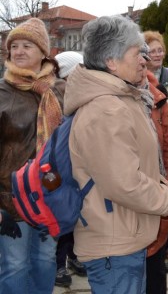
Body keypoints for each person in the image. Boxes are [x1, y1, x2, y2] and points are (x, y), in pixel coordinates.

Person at [64, 15, 168, 293]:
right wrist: (166, 199)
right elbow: (124, 182)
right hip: (114, 245)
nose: (144, 58)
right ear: (111, 61)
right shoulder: (107, 109)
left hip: (122, 236)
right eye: (136, 51)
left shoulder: (120, 99)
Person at [0, 17, 65, 293]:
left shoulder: (60, 90)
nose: (19, 51)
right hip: (9, 197)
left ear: (43, 52)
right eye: (14, 46)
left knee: (44, 259)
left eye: (27, 45)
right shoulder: (2, 92)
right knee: (15, 265)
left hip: (51, 194)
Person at [137, 45, 168, 294]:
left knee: (155, 268)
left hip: (158, 195)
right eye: (139, 62)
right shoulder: (110, 99)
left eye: (145, 64)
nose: (142, 68)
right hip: (123, 205)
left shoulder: (160, 101)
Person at [53, 51, 86, 288]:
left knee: (75, 212)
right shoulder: (57, 93)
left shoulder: (79, 92)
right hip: (59, 164)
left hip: (78, 162)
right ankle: (58, 263)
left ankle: (73, 256)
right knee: (63, 216)